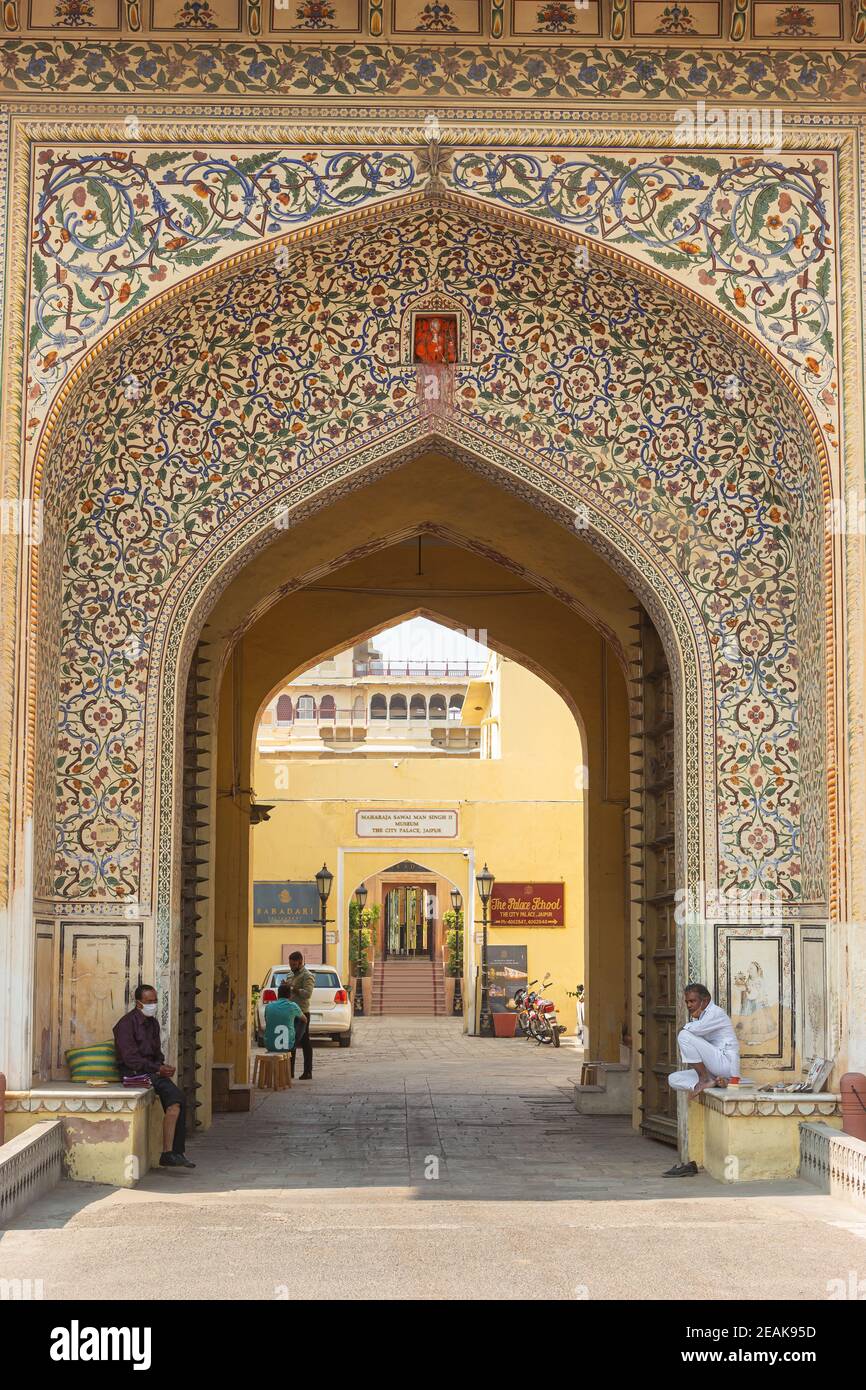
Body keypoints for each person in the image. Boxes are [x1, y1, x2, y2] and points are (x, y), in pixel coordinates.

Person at [113, 984, 195, 1169]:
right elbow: (130, 1059)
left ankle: (172, 1152)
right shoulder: (126, 1024)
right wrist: (157, 1069)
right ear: (139, 1003)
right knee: (176, 1097)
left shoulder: (153, 1023)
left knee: (177, 1100)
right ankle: (170, 1153)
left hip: (152, 1071)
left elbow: (156, 1052)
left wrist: (162, 1066)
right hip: (134, 1073)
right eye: (149, 1001)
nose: (153, 1005)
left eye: (155, 1001)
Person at [663, 982, 740, 1177]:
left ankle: (705, 1078)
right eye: (687, 1001)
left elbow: (690, 1031)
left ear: (705, 1001)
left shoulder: (715, 1014)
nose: (689, 1005)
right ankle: (713, 1082)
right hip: (717, 1069)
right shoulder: (703, 1016)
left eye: (693, 1001)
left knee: (684, 1035)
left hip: (725, 1064)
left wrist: (687, 1025)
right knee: (673, 1078)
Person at [286, 951, 316, 1080]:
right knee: (290, 1041)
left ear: (300, 962)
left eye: (293, 964)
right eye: (290, 964)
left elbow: (307, 993)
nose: (291, 966)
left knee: (304, 1042)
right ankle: (289, 1071)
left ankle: (307, 1071)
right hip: (290, 1012)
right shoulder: (289, 974)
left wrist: (293, 989)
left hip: (302, 1013)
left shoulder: (307, 976)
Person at [264, 981, 306, 1057]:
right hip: (287, 1046)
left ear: (278, 995)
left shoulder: (268, 1006)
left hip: (269, 1045)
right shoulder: (293, 1006)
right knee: (302, 1021)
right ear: (290, 995)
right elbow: (305, 1019)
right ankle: (295, 1043)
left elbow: (266, 1021)